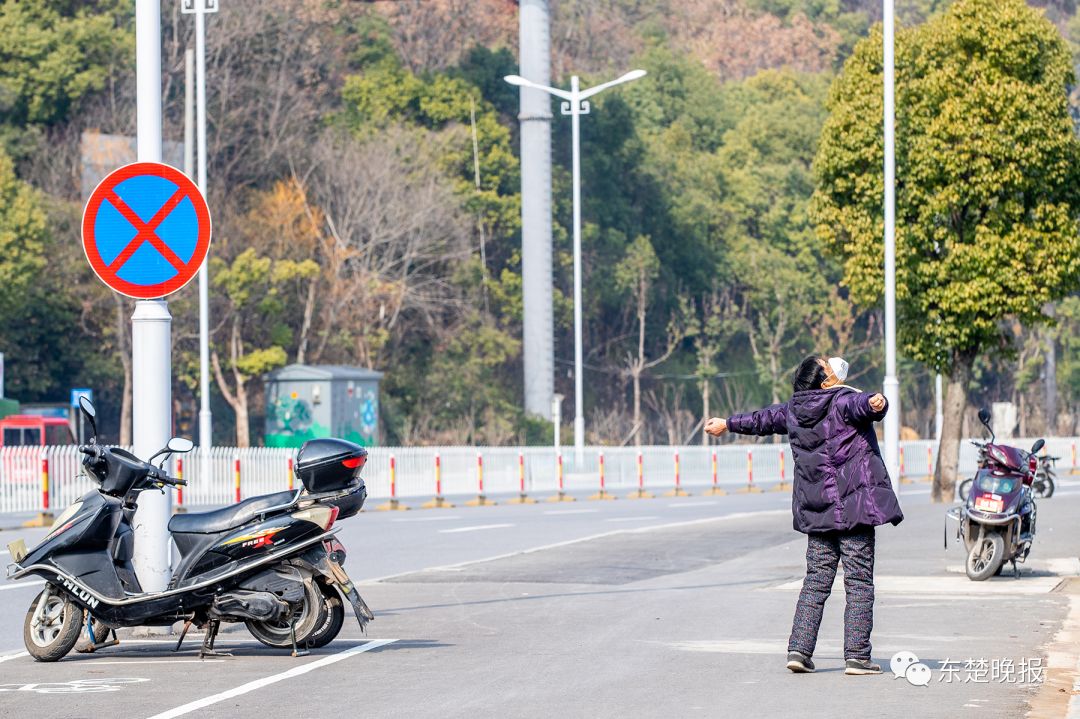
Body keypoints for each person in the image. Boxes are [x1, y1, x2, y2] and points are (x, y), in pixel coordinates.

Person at [704, 355, 903, 676]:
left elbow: (762, 420)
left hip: (819, 511)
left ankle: (799, 650)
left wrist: (727, 424)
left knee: (816, 581)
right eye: (828, 365)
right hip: (855, 509)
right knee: (859, 582)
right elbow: (862, 406)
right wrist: (876, 403)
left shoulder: (793, 410)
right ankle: (857, 657)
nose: (834, 366)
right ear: (825, 381)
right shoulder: (841, 401)